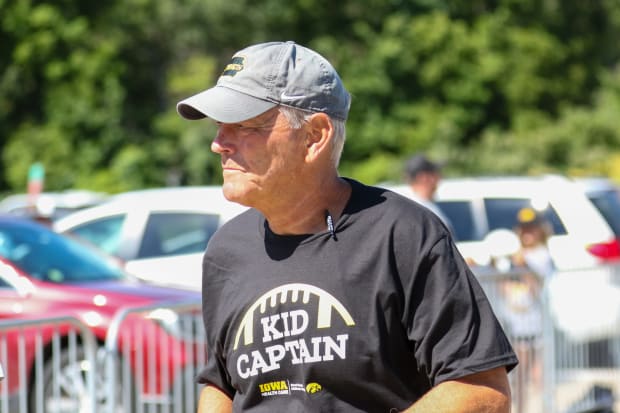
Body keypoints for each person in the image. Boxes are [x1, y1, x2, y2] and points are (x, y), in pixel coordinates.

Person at [177, 41, 517, 413]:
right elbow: (221, 384)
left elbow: (482, 392)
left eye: (243, 126)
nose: (218, 144)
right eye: (218, 127)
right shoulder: (226, 251)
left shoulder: (402, 233)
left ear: (314, 136)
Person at [403, 154, 453, 230]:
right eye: (435, 173)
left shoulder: (422, 205)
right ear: (423, 177)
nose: (440, 177)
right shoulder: (419, 209)